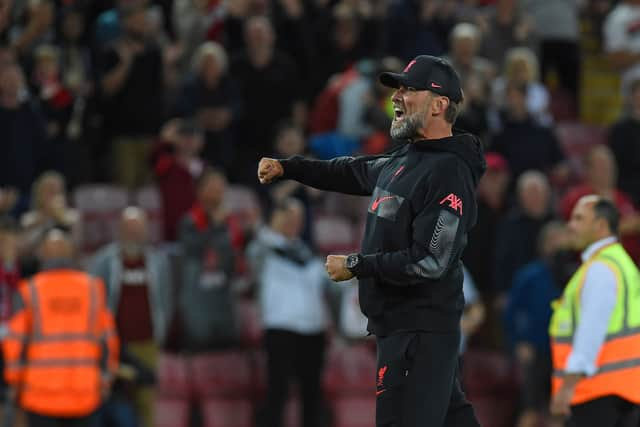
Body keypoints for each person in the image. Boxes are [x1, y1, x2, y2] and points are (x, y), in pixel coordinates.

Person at [258, 55, 484, 427]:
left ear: (439, 105)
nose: (396, 97)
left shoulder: (449, 172)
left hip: (419, 334)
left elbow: (430, 260)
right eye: (397, 88)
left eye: (409, 90)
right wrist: (290, 167)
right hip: (402, 328)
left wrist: (357, 265)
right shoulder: (406, 160)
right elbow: (352, 170)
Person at [2, 229, 119, 427]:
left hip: (39, 396)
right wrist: (106, 379)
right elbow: (108, 340)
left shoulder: (29, 290)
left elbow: (14, 343)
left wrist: (14, 383)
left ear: (43, 255)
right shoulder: (92, 289)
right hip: (85, 395)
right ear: (72, 253)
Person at [549, 196, 640, 426]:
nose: (571, 225)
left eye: (579, 218)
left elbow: (590, 333)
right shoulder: (621, 263)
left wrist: (567, 388)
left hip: (596, 392)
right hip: (624, 391)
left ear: (600, 226)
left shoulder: (600, 269)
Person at [247, 198, 331, 427]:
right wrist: (265, 229)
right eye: (289, 215)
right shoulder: (264, 247)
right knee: (277, 393)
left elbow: (327, 286)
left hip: (313, 329)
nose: (295, 221)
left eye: (299, 217)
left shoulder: (308, 253)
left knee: (312, 395)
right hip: (280, 327)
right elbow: (253, 256)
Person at [89, 207, 172, 427]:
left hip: (148, 344)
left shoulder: (159, 262)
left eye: (138, 228)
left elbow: (166, 300)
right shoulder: (103, 262)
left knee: (147, 404)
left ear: (146, 231)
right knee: (112, 404)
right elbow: (93, 301)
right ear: (120, 231)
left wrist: (162, 332)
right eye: (129, 228)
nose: (133, 233)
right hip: (113, 347)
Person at [504, 221, 573, 427]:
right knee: (530, 410)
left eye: (562, 239)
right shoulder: (529, 275)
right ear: (543, 245)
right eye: (553, 240)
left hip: (563, 352)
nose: (558, 245)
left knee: (559, 410)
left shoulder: (573, 275)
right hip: (535, 351)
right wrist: (519, 342)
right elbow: (511, 313)